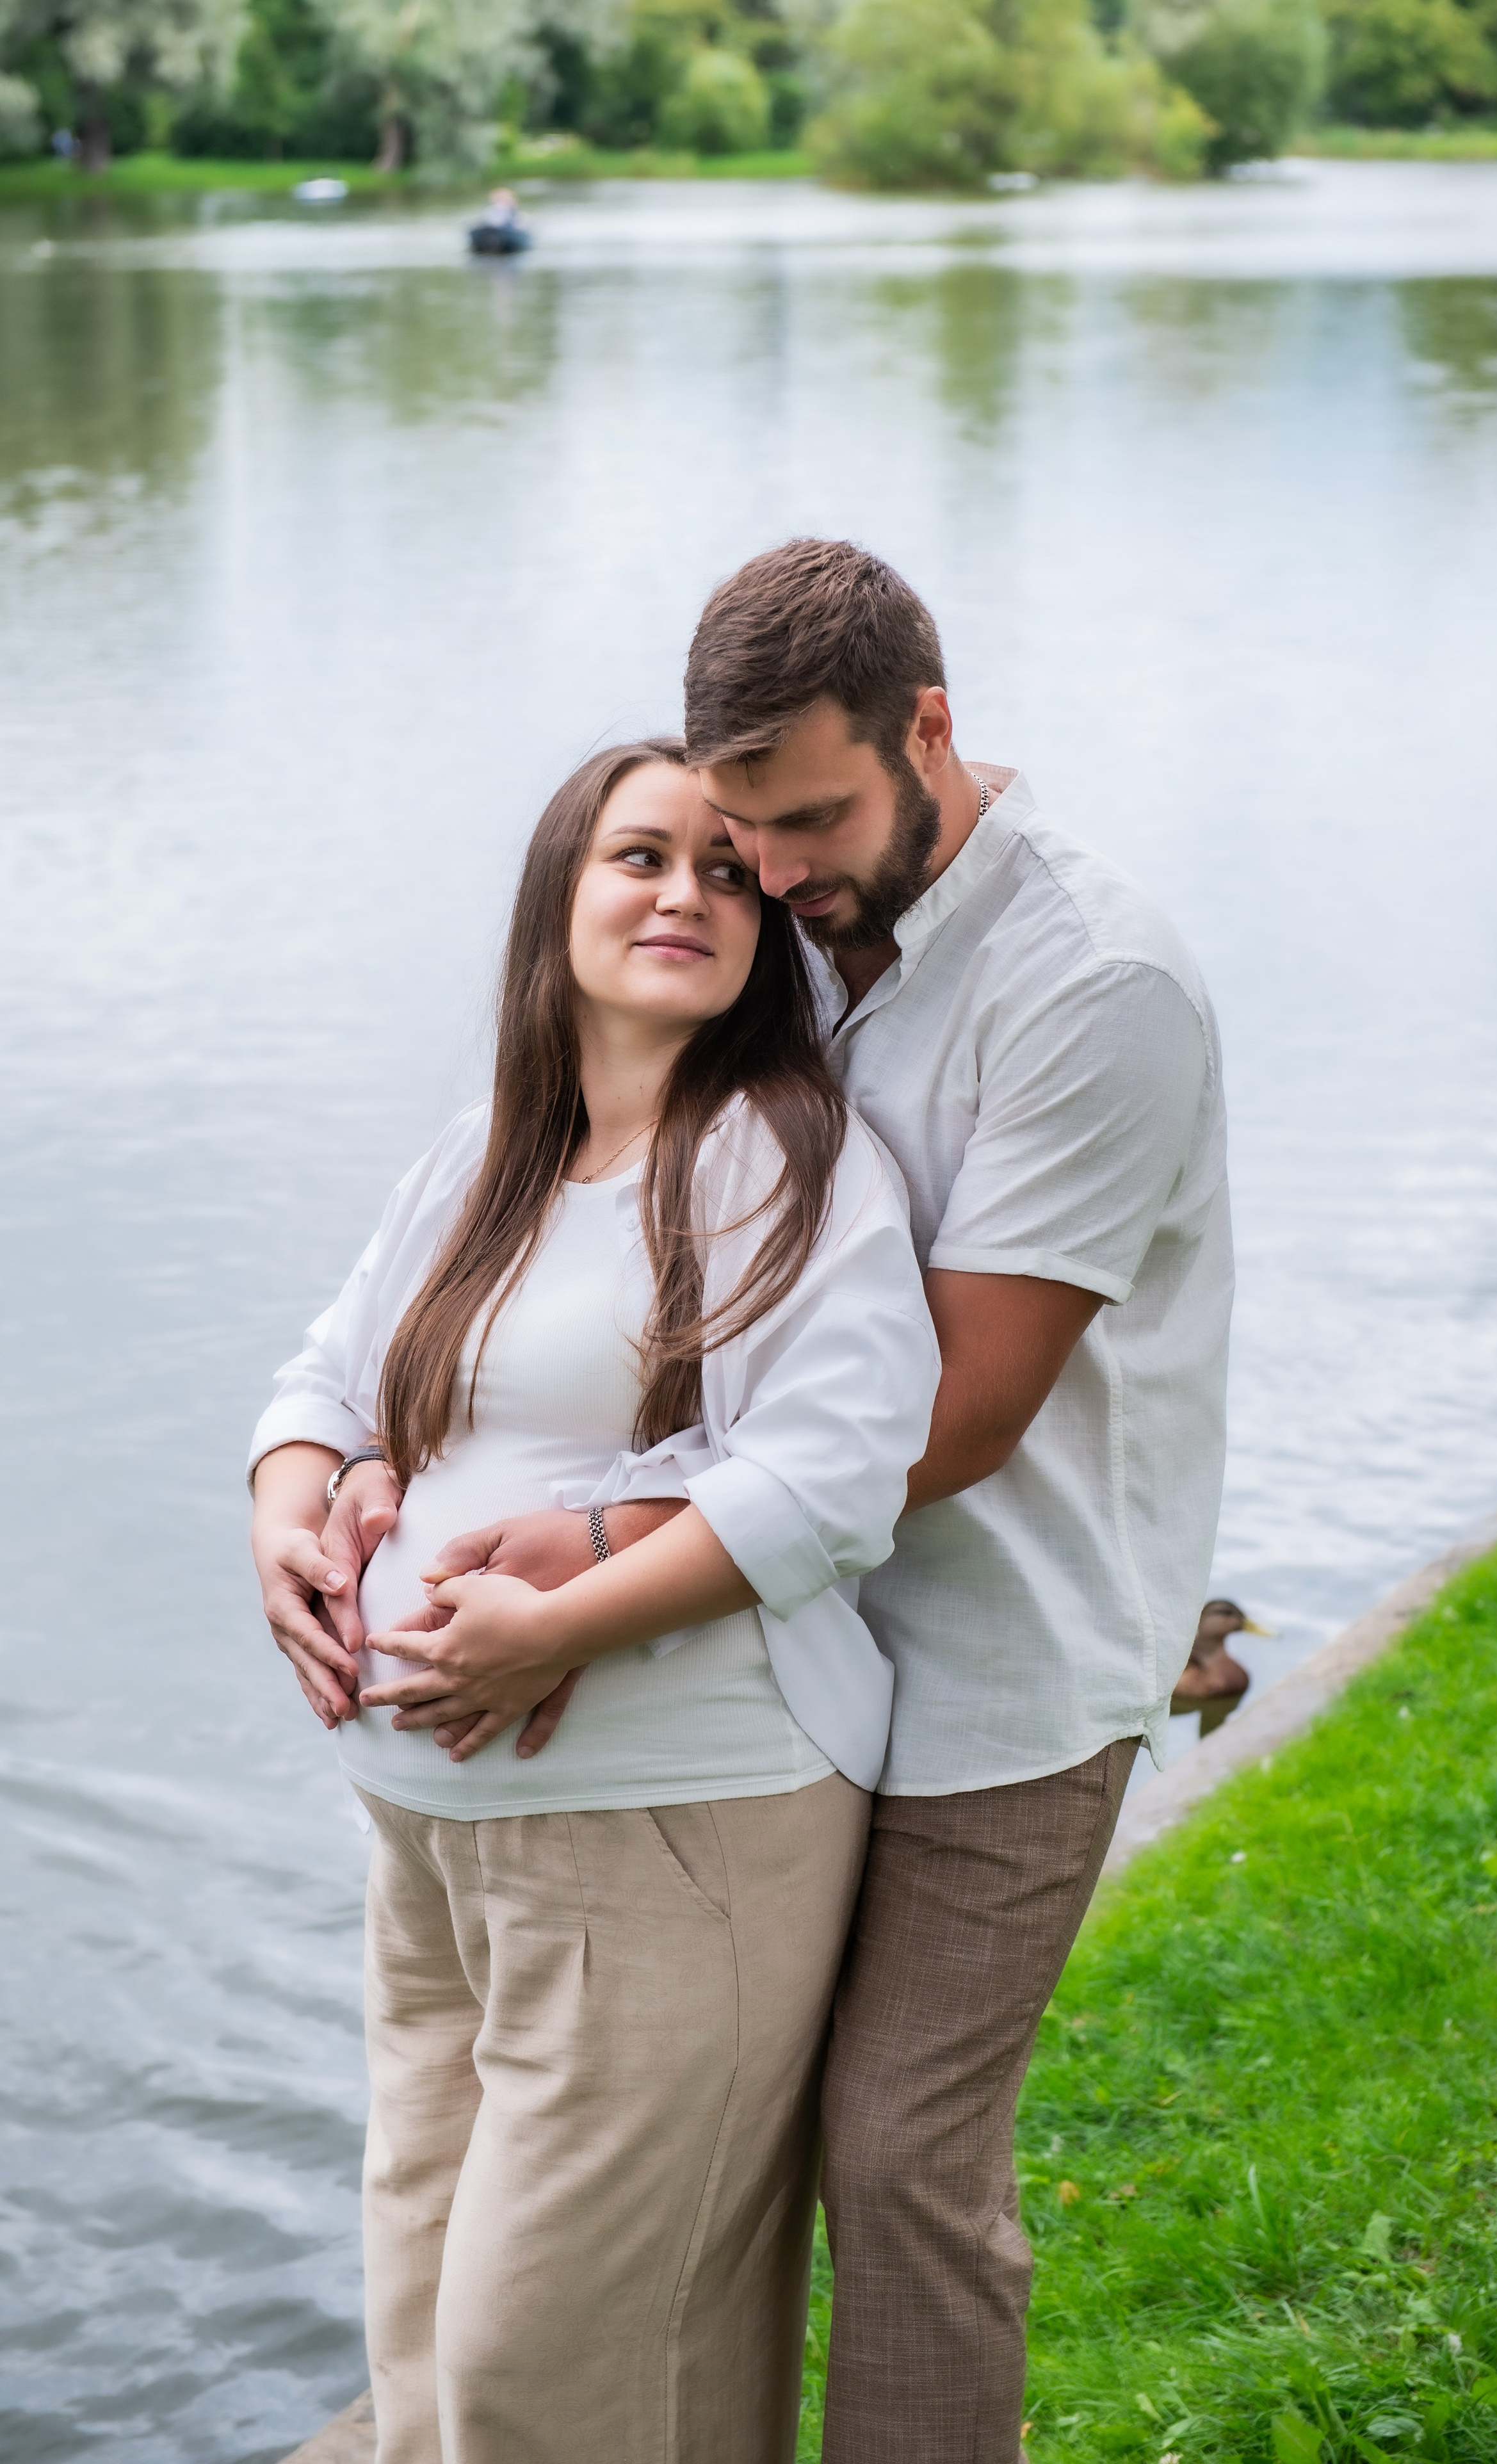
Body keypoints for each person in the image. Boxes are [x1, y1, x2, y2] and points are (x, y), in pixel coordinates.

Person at [321, 540, 1233, 2464]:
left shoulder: (1094, 984)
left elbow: (956, 1418)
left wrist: (585, 1559)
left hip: (997, 1653)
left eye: (804, 823)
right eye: (736, 836)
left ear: (932, 729)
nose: (774, 878)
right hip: (791, 1651)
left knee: (896, 2157)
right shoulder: (794, 929)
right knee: (689, 2179)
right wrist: (384, 1462)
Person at [249, 738, 939, 2464]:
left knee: (548, 2390)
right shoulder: (492, 1151)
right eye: (642, 858)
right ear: (561, 892)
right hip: (432, 1859)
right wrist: (290, 1501)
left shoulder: (783, 1157)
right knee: (422, 2369)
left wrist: (562, 1624)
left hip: (669, 1839)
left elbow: (838, 1468)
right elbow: (330, 1378)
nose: (687, 896)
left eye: (727, 870)